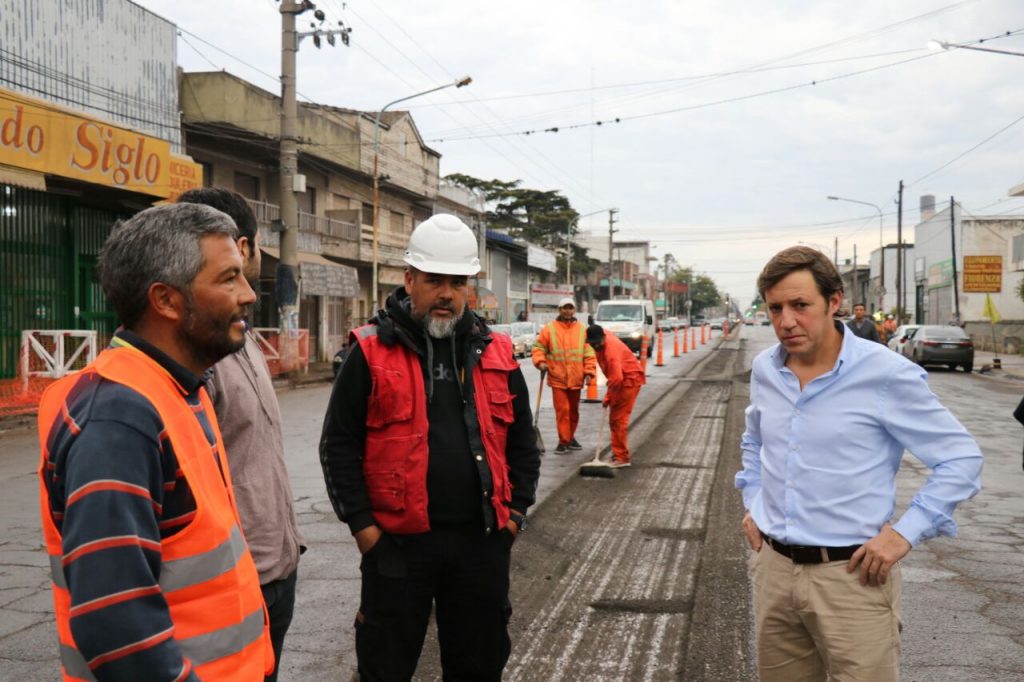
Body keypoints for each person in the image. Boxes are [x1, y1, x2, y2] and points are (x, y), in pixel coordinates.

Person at [37, 204, 273, 681]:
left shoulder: (179, 387)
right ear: (166, 300)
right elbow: (115, 622)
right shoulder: (118, 420)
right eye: (228, 279)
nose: (247, 295)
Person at [735, 245, 982, 682]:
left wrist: (904, 533)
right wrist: (753, 498)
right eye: (775, 308)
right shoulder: (765, 369)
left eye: (800, 305)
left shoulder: (885, 374)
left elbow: (960, 458)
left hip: (851, 578)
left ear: (834, 302)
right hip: (773, 571)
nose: (786, 321)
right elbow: (755, 441)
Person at [320, 214, 541, 681]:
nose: (446, 293)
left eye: (457, 282)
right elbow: (338, 447)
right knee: (385, 667)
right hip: (397, 549)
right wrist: (364, 529)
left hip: (481, 546)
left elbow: (524, 443)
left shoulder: (497, 354)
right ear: (410, 280)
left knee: (478, 667)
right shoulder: (369, 353)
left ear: (470, 288)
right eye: (434, 280)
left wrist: (515, 517)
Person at [177, 187, 304, 682]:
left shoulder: (241, 335)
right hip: (235, 577)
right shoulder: (196, 354)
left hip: (277, 565)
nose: (249, 290)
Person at [531, 297, 596, 453]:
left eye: (570, 308)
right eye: (565, 308)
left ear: (574, 310)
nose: (568, 311)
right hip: (557, 377)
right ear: (559, 310)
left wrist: (589, 371)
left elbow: (588, 353)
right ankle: (563, 441)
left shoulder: (581, 329)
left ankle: (570, 437)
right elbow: (538, 347)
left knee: (573, 412)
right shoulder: (549, 329)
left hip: (576, 378)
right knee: (563, 410)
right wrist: (540, 362)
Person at [585, 325, 645, 467]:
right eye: (592, 343)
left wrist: (608, 397)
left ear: (604, 338)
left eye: (597, 343)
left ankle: (621, 458)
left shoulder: (611, 352)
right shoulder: (601, 336)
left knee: (618, 420)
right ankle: (618, 454)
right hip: (624, 379)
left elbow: (616, 379)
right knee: (615, 419)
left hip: (628, 380)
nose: (595, 346)